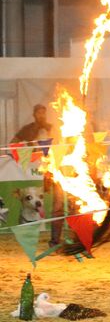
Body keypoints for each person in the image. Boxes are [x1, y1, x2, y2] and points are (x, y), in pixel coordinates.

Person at [11, 105, 62, 248]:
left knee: (58, 205)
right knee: (31, 200)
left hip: (54, 170)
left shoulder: (52, 128)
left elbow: (61, 144)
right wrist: (27, 146)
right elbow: (13, 144)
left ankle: (55, 240)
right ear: (34, 114)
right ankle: (28, 235)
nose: (42, 115)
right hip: (34, 169)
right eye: (39, 113)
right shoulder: (27, 129)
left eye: (44, 113)